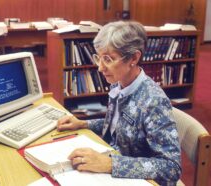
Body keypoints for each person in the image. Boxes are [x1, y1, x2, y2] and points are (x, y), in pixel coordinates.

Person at [57, 21, 181, 185]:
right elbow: (119, 125)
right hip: (115, 165)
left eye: (108, 59)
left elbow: (171, 168)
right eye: (99, 58)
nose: (100, 68)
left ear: (134, 58)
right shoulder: (119, 83)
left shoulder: (154, 101)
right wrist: (83, 124)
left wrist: (110, 164)